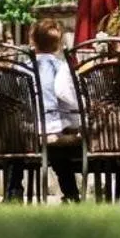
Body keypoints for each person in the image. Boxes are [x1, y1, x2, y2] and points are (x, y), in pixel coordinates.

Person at [31, 18, 82, 203]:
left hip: (27, 129)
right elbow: (66, 95)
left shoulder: (24, 67)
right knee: (61, 148)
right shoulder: (61, 67)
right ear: (59, 44)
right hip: (53, 127)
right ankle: (71, 193)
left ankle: (14, 192)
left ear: (32, 41)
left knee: (53, 146)